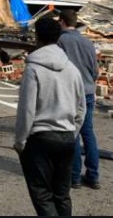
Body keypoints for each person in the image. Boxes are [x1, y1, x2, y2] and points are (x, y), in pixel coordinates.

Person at [14, 17, 86, 216]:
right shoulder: (72, 69)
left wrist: (20, 141)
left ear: (37, 37)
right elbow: (82, 108)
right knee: (62, 194)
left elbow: (27, 110)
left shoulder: (33, 68)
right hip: (67, 137)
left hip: (41, 138)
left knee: (43, 195)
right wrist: (72, 131)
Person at [58, 9, 100, 190]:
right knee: (88, 133)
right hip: (88, 91)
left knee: (72, 134)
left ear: (61, 22)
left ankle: (74, 177)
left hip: (70, 92)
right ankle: (93, 175)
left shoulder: (60, 42)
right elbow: (96, 71)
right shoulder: (87, 42)